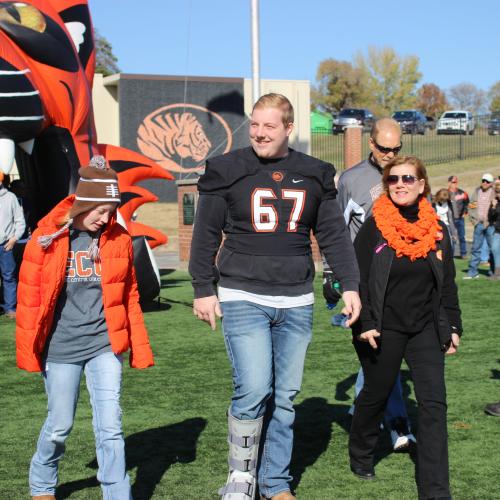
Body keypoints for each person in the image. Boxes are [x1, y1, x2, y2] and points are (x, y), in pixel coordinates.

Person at [189, 93, 361, 500]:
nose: (259, 133)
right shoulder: (227, 169)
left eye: (269, 126)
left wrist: (351, 284)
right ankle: (241, 477)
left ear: (289, 128)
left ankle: (275, 481)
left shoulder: (314, 172)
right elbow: (206, 233)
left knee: (284, 398)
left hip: (297, 299)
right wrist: (202, 288)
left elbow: (333, 235)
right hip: (242, 292)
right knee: (252, 389)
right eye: (254, 125)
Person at [16, 156, 154, 500]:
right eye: (100, 211)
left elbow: (129, 296)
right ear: (84, 203)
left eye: (111, 211)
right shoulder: (47, 238)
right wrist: (32, 349)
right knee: (60, 426)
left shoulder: (117, 238)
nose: (105, 219)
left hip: (103, 345)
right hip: (61, 348)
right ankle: (42, 484)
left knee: (110, 426)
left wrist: (139, 346)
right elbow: (30, 300)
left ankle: (117, 493)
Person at [349, 155, 462, 500]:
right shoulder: (375, 227)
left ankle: (435, 490)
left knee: (434, 404)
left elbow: (447, 285)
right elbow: (358, 279)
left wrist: (453, 325)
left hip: (426, 327)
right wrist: (366, 321)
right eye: (393, 179)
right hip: (383, 326)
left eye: (408, 179)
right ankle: (361, 451)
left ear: (422, 185)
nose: (400, 184)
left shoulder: (437, 231)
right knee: (377, 391)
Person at [334, 118, 415, 452]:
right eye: (384, 148)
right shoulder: (352, 180)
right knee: (382, 352)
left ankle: (362, 413)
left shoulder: (406, 175)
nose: (390, 154)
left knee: (380, 355)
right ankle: (396, 423)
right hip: (364, 282)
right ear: (371, 144)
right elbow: (335, 233)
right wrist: (335, 276)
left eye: (396, 148)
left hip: (402, 280)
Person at [0, 170, 25, 318]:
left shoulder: (10, 198)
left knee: (8, 277)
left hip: (5, 245)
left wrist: (14, 238)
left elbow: (19, 221)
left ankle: (10, 308)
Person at [464, 173, 496, 279]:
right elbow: (471, 206)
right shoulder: (477, 191)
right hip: (479, 224)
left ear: (491, 183)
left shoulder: (495, 193)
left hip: (491, 225)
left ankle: (493, 272)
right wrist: (474, 221)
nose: (484, 183)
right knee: (475, 249)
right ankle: (473, 272)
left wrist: (494, 222)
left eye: (487, 181)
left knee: (493, 249)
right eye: (483, 180)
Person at [447, 175, 468, 258]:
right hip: (451, 220)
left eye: (456, 182)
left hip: (460, 218)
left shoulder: (462, 193)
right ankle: (451, 254)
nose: (454, 184)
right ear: (449, 183)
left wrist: (465, 212)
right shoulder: (446, 194)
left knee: (462, 237)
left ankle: (464, 253)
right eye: (453, 182)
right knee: (452, 238)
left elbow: (467, 202)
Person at [433, 188, 458, 253]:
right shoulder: (433, 205)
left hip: (447, 227)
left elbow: (452, 220)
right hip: (437, 228)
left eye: (445, 200)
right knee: (438, 248)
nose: (443, 202)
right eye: (442, 200)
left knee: (450, 246)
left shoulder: (450, 204)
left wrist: (454, 234)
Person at [487, 179, 500, 279]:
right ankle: (497, 272)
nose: (497, 194)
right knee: (495, 248)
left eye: (499, 192)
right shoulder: (495, 203)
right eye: (497, 192)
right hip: (497, 229)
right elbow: (490, 217)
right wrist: (493, 207)